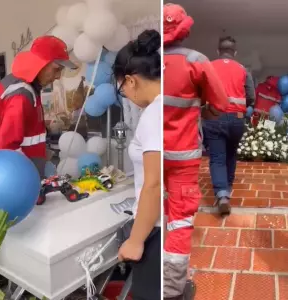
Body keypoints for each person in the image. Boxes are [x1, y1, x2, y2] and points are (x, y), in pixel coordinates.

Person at [163, 4, 229, 300]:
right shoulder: (196, 60)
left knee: (154, 212)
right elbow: (221, 105)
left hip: (150, 156)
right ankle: (173, 289)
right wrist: (200, 110)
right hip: (183, 157)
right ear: (184, 29)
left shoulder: (146, 64)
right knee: (180, 220)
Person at [0, 36, 77, 177]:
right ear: (41, 64)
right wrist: (29, 176)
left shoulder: (23, 85)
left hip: (7, 172)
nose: (58, 76)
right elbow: (8, 147)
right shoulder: (21, 95)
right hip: (14, 177)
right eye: (57, 69)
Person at [114, 29, 162, 300]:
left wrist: (135, 240)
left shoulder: (154, 113)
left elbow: (154, 184)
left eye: (122, 88)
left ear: (131, 81)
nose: (125, 95)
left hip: (154, 226)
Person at [203, 36, 256, 216]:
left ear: (218, 51)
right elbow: (251, 98)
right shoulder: (243, 70)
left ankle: (222, 195)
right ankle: (229, 184)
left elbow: (201, 92)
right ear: (235, 53)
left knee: (217, 157)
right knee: (231, 153)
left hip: (214, 117)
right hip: (237, 118)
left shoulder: (208, 66)